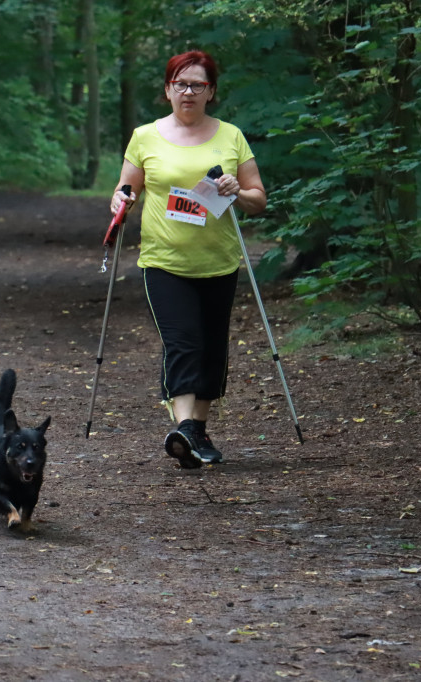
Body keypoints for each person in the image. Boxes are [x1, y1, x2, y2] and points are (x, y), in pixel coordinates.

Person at [110, 50, 266, 469]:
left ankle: (194, 433)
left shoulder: (231, 137)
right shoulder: (145, 136)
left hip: (218, 261)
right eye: (180, 84)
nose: (188, 91)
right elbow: (127, 188)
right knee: (183, 343)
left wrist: (236, 191)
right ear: (167, 90)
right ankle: (185, 427)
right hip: (164, 261)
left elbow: (258, 200)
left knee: (213, 349)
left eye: (198, 84)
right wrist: (121, 200)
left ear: (211, 92)